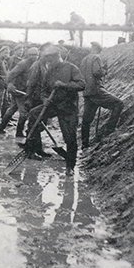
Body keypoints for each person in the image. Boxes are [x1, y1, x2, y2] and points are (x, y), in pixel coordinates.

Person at [25, 45, 85, 176]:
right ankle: (32, 148)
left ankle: (70, 165)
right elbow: (43, 90)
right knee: (34, 114)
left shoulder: (71, 68)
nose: (48, 62)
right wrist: (44, 98)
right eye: (47, 59)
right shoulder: (49, 70)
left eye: (50, 59)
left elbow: (81, 85)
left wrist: (64, 85)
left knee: (70, 137)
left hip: (68, 107)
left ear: (58, 56)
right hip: (53, 105)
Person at [80, 42, 123, 149]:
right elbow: (97, 72)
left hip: (87, 92)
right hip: (96, 90)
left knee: (86, 120)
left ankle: (84, 144)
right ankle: (109, 131)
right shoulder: (96, 58)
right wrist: (105, 70)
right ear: (98, 49)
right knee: (119, 104)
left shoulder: (84, 59)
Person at [0, 46, 39, 137]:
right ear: (28, 55)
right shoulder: (23, 64)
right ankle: (19, 132)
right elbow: (10, 74)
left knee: (12, 109)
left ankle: (1, 128)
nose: (34, 57)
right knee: (24, 113)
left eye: (36, 55)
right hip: (19, 91)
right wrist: (9, 84)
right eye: (32, 55)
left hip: (26, 91)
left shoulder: (36, 65)